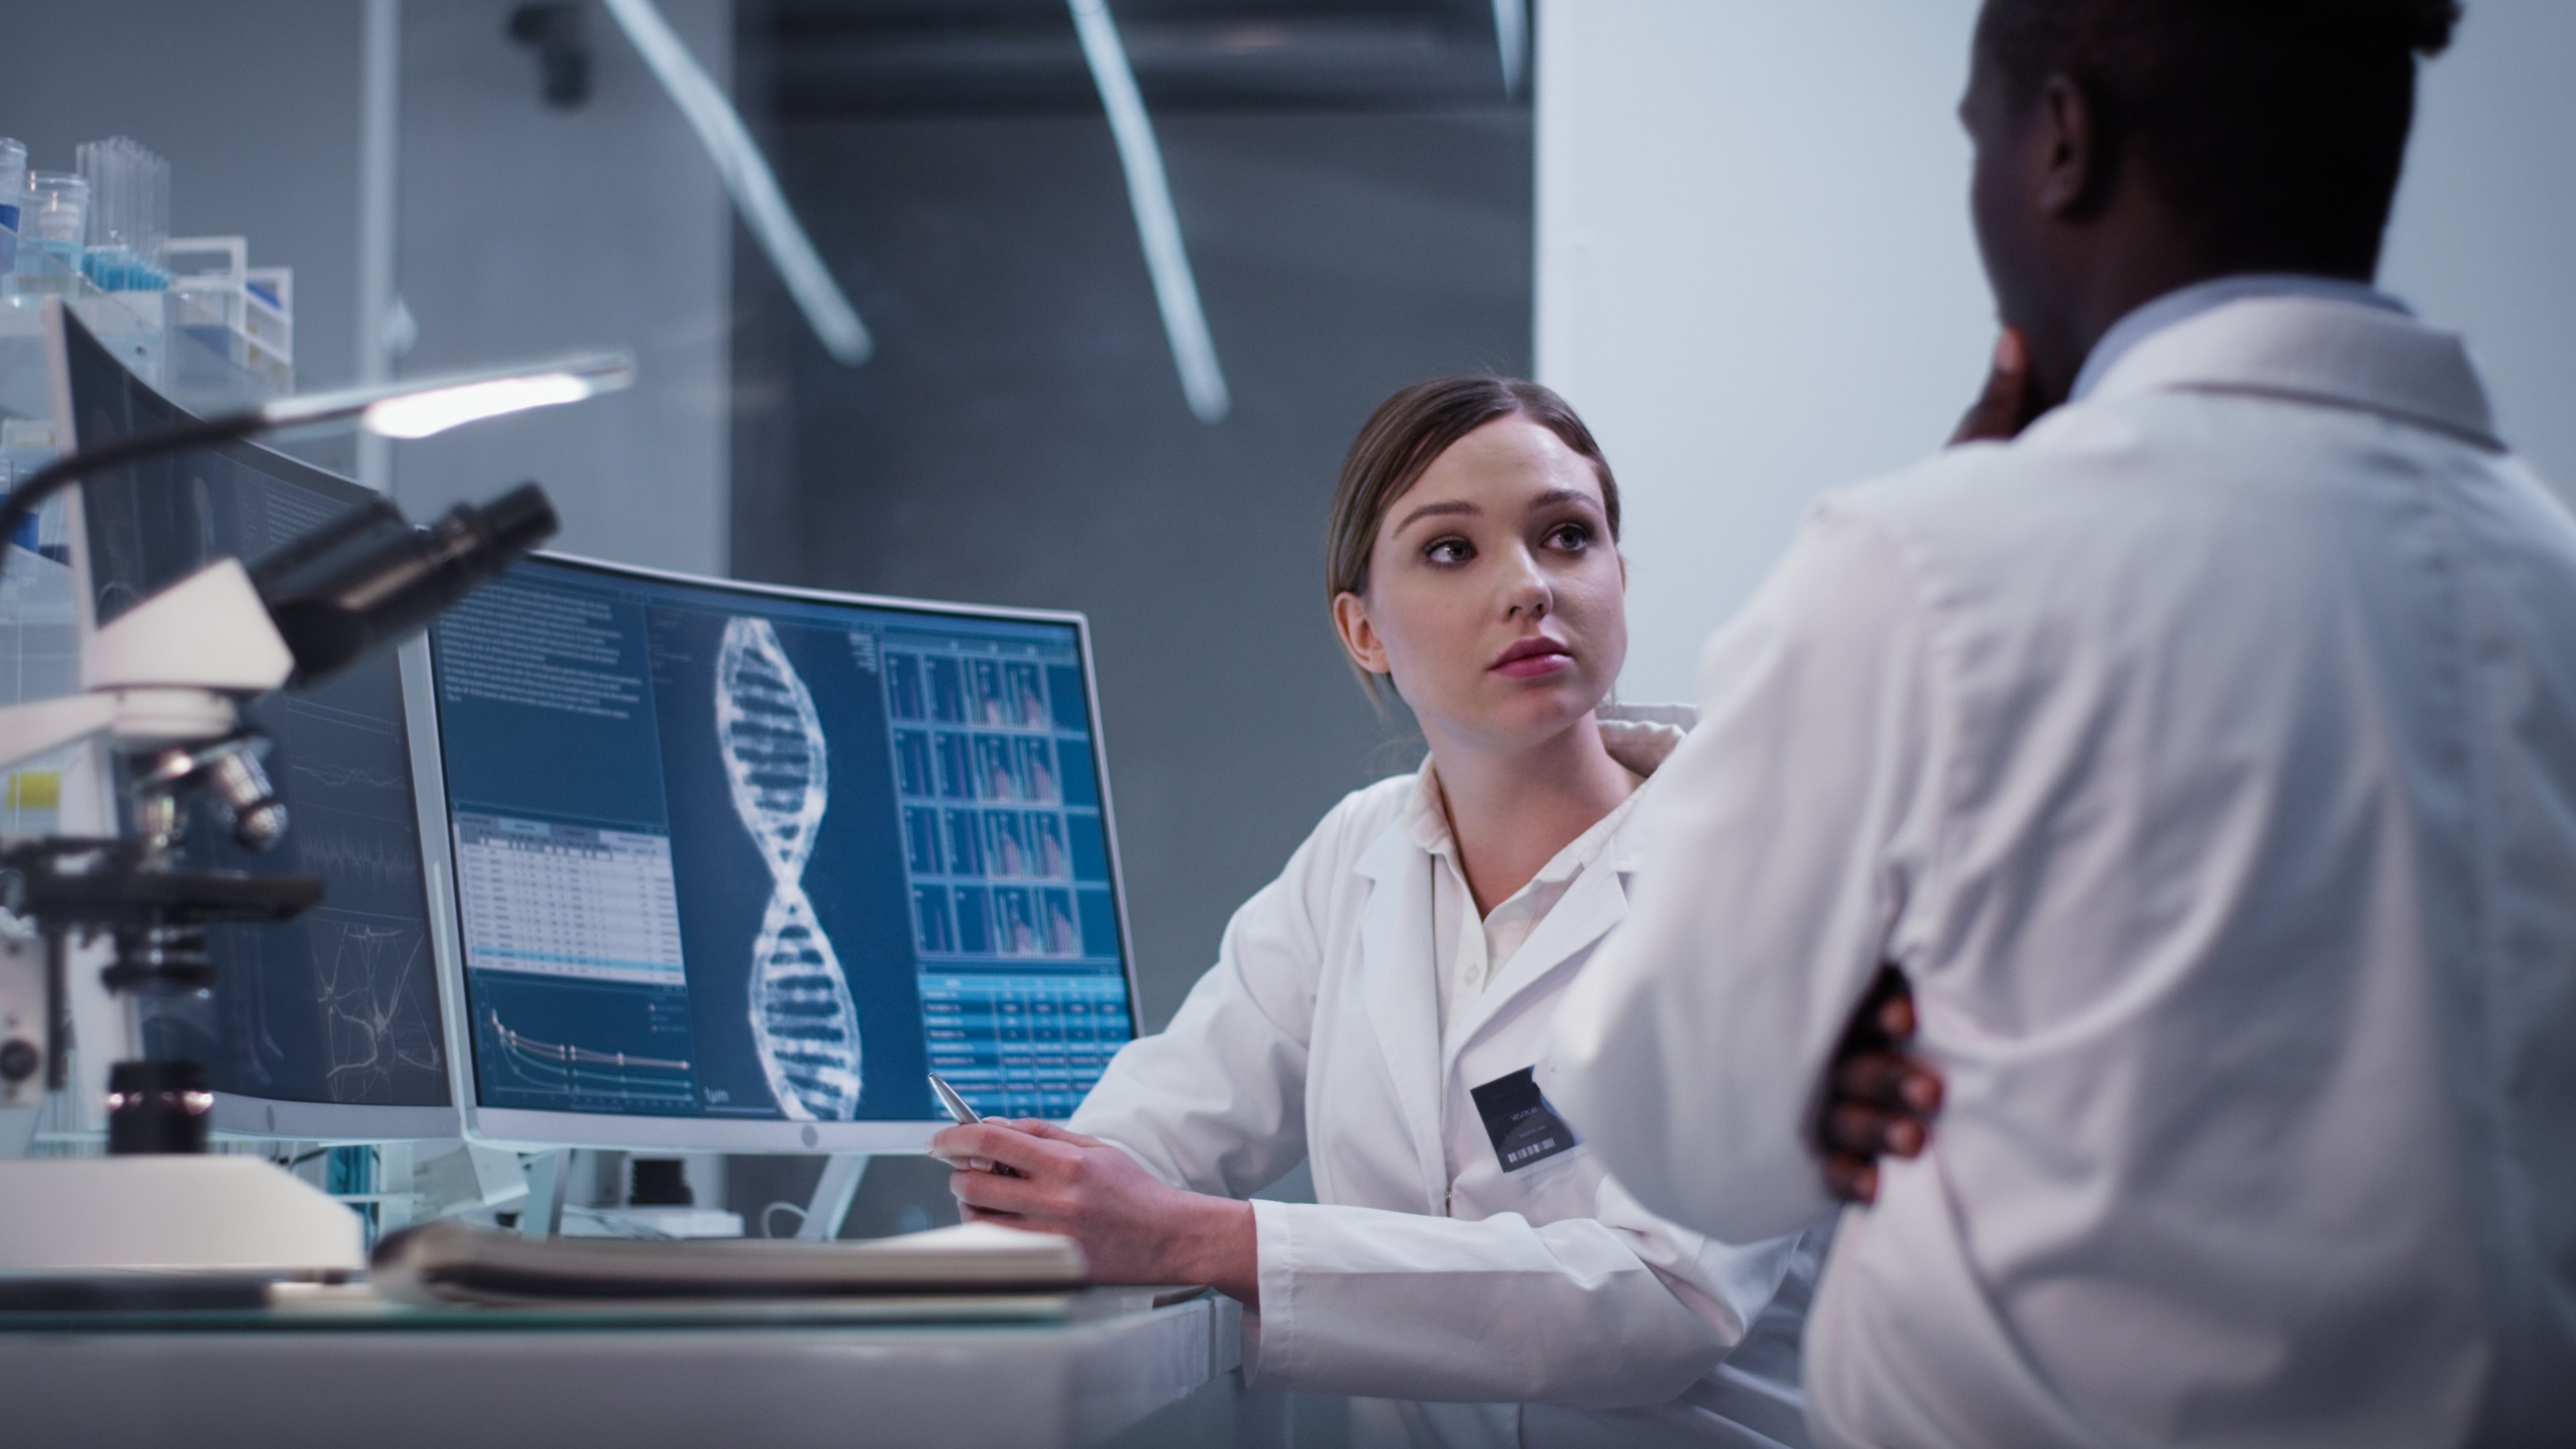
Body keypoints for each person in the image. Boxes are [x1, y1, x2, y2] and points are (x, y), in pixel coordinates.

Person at [1546, 1, 2576, 1444]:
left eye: (1980, 136)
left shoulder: (1926, 563)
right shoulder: (2548, 574)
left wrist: (1810, 1052)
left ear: (2062, 142)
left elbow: (1682, 1122)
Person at [932, 376, 1829, 1448]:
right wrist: (1048, 1191)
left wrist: (1199, 1241)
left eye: (1567, 537)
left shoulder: (1758, 873)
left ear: (1619, 580)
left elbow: (1664, 1296)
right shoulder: (1356, 858)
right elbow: (1164, 1127)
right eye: (1452, 550)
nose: (1529, 586)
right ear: (1362, 630)